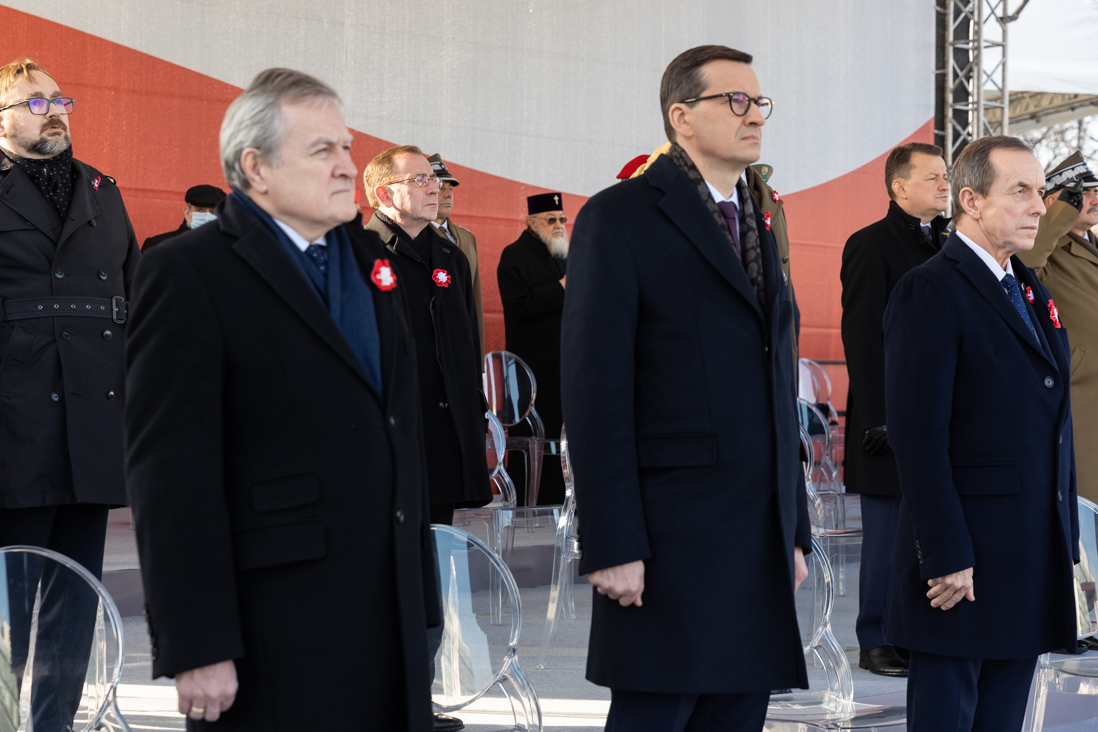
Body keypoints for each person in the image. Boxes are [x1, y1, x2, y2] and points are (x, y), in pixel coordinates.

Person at [125, 68, 438, 731]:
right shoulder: (189, 271)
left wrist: (424, 605)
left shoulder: (369, 261)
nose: (346, 166)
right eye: (322, 150)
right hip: (274, 631)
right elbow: (172, 475)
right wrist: (198, 642)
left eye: (346, 147)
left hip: (391, 617)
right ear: (256, 167)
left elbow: (395, 430)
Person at [561, 45, 809, 731]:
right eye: (736, 101)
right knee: (658, 712)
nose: (754, 115)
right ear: (681, 116)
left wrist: (793, 529)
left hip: (755, 533)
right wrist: (611, 541)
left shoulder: (757, 218)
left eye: (760, 102)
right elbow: (595, 390)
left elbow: (775, 383)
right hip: (669, 534)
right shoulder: (620, 217)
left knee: (738, 714)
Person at [883, 135, 1077, 732]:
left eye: (1039, 191)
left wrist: (1065, 543)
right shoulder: (931, 288)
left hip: (1026, 554)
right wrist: (945, 554)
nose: (1039, 205)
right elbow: (919, 438)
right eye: (1020, 191)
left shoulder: (1026, 286)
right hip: (961, 565)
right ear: (971, 201)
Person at [0, 58, 140, 731]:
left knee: (76, 592)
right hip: (13, 418)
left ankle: (52, 723)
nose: (54, 111)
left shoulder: (101, 189)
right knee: (9, 594)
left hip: (94, 417)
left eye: (59, 99)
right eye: (34, 103)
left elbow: (133, 295)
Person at [363, 144, 489, 732]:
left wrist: (474, 421)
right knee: (383, 570)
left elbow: (465, 344)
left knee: (429, 570)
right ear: (383, 192)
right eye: (418, 179)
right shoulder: (361, 252)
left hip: (439, 437)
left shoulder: (449, 254)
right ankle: (377, 695)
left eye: (433, 179)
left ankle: (418, 696)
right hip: (384, 439)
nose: (434, 186)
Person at [840, 142, 950, 677]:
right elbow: (862, 336)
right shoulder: (870, 244)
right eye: (932, 177)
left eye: (946, 176)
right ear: (899, 186)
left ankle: (916, 632)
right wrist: (879, 417)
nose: (945, 184)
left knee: (933, 531)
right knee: (887, 535)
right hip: (887, 419)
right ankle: (876, 637)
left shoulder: (950, 244)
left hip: (941, 415)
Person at [1018, 151, 1098, 507]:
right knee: (1085, 502)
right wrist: (1060, 214)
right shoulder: (1046, 249)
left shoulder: (1091, 244)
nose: (1094, 199)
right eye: (1082, 193)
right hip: (1080, 396)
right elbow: (1025, 265)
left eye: (1096, 192)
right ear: (1054, 202)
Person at [497, 192, 568, 505]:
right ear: (531, 223)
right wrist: (560, 287)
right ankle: (530, 504)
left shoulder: (563, 254)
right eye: (551, 220)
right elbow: (520, 305)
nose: (558, 225)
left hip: (565, 364)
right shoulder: (514, 255)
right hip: (533, 367)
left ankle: (562, 499)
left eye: (562, 219)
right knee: (533, 435)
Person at [429, 153, 485, 358]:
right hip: (433, 347)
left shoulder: (467, 238)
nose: (448, 194)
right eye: (440, 187)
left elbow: (475, 300)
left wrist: (478, 358)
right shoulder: (415, 236)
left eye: (450, 188)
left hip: (463, 344)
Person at [142, 184, 227, 251]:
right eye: (200, 210)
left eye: (213, 212)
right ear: (187, 212)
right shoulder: (157, 245)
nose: (206, 217)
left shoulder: (228, 249)